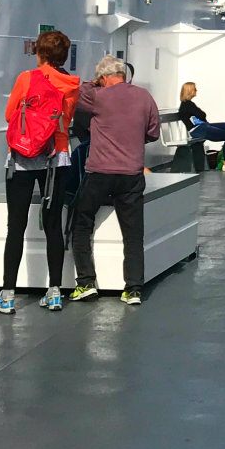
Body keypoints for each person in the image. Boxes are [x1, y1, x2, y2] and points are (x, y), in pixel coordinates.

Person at [0, 31, 82, 314]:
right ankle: (53, 293)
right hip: (57, 158)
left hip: (23, 157)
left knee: (16, 226)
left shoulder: (27, 78)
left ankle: (7, 295)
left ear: (40, 53)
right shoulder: (72, 85)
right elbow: (66, 119)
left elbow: (9, 114)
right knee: (53, 225)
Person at [68, 55, 162, 305]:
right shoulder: (144, 96)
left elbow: (79, 91)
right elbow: (153, 133)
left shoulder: (97, 96)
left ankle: (86, 282)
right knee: (133, 233)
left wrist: (95, 81)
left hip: (100, 172)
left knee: (81, 222)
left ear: (104, 77)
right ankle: (133, 289)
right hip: (132, 174)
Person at [177, 81, 225, 166]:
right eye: (194, 89)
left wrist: (200, 115)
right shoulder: (187, 105)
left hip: (202, 126)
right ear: (190, 91)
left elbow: (201, 115)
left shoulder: (188, 104)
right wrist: (200, 114)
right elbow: (202, 115)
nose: (196, 90)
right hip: (197, 130)